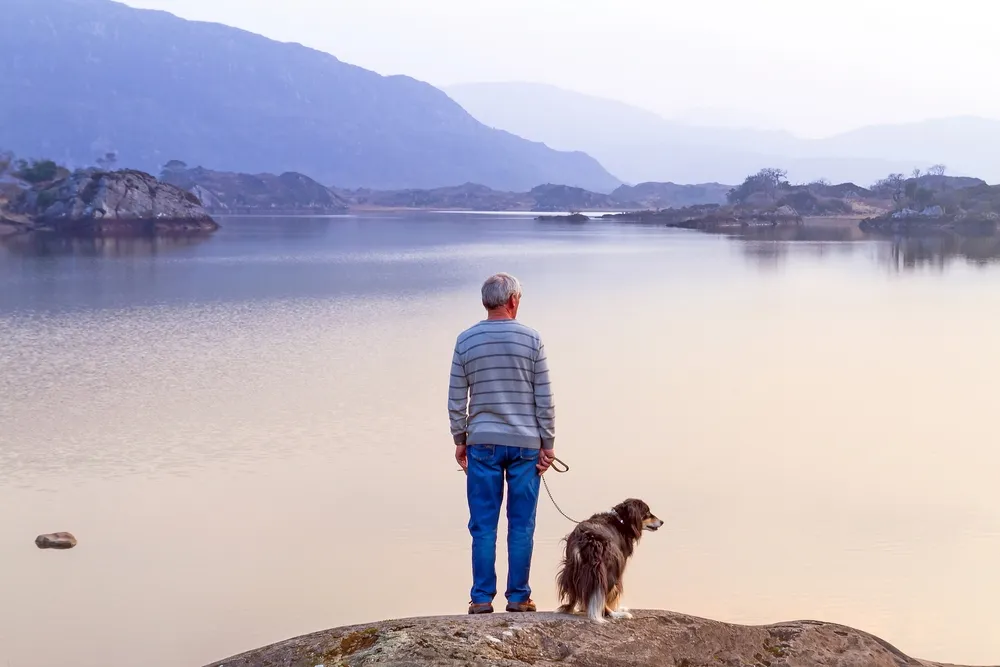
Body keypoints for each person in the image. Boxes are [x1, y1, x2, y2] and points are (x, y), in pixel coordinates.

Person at [449, 272, 556, 614]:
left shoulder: (465, 340)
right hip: (526, 445)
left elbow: (456, 399)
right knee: (521, 525)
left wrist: (459, 438)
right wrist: (548, 443)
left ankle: (481, 599)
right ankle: (518, 597)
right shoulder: (532, 339)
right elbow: (545, 398)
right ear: (512, 301)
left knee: (483, 524)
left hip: (482, 443)